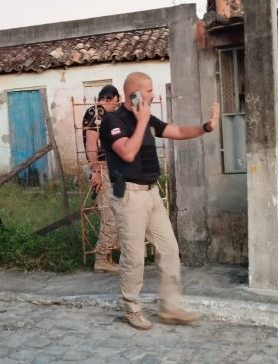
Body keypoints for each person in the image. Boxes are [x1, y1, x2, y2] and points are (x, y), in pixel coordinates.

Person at [101, 71, 219, 330]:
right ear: (136, 93)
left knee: (169, 250)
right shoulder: (113, 121)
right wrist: (141, 120)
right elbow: (128, 153)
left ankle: (170, 308)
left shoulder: (147, 119)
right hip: (129, 197)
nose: (153, 95)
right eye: (150, 90)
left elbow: (174, 130)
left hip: (152, 193)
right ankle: (132, 310)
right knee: (134, 258)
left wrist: (205, 127)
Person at [82, 85, 121, 273]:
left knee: (113, 213)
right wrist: (96, 170)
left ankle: (107, 257)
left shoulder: (103, 114)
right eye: (116, 101)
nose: (117, 105)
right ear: (110, 98)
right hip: (102, 168)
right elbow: (91, 142)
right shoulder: (96, 111)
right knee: (108, 215)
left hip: (108, 168)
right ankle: (101, 259)